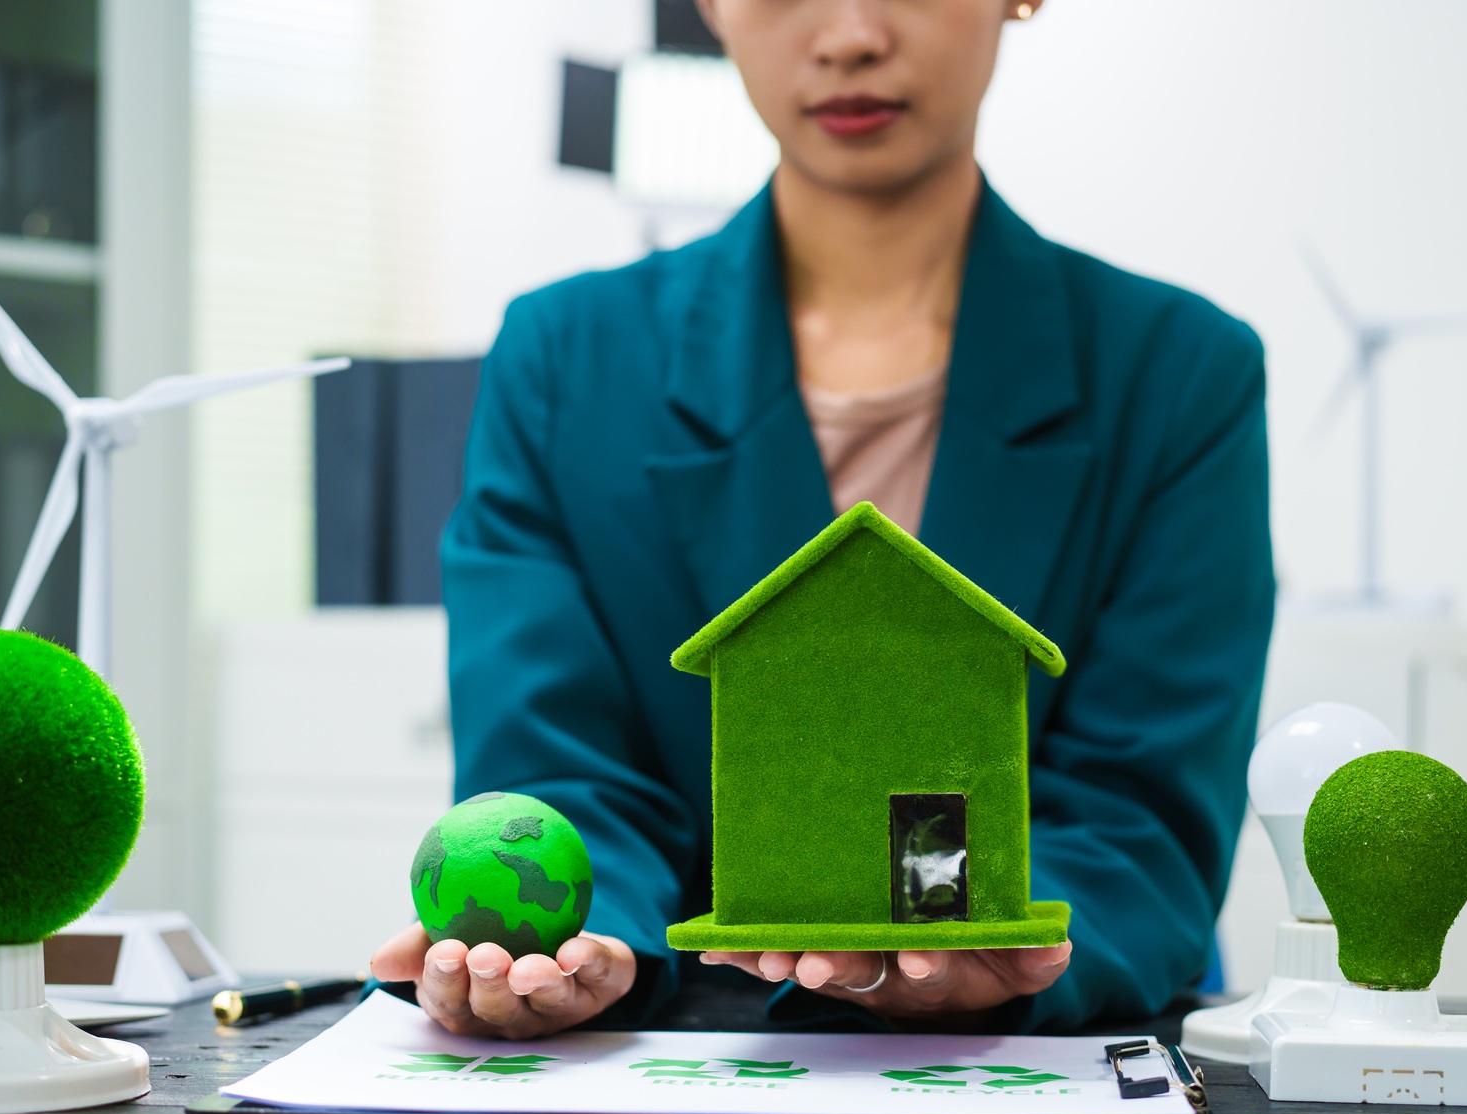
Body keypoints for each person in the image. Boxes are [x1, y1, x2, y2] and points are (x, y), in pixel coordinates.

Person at [371, 0, 1273, 1038]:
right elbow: (556, 765)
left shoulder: (1177, 374)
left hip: (1022, 1081)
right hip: (674, 1059)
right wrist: (577, 942)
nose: (847, 34)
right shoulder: (562, 360)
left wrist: (953, 936)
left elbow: (1134, 809)